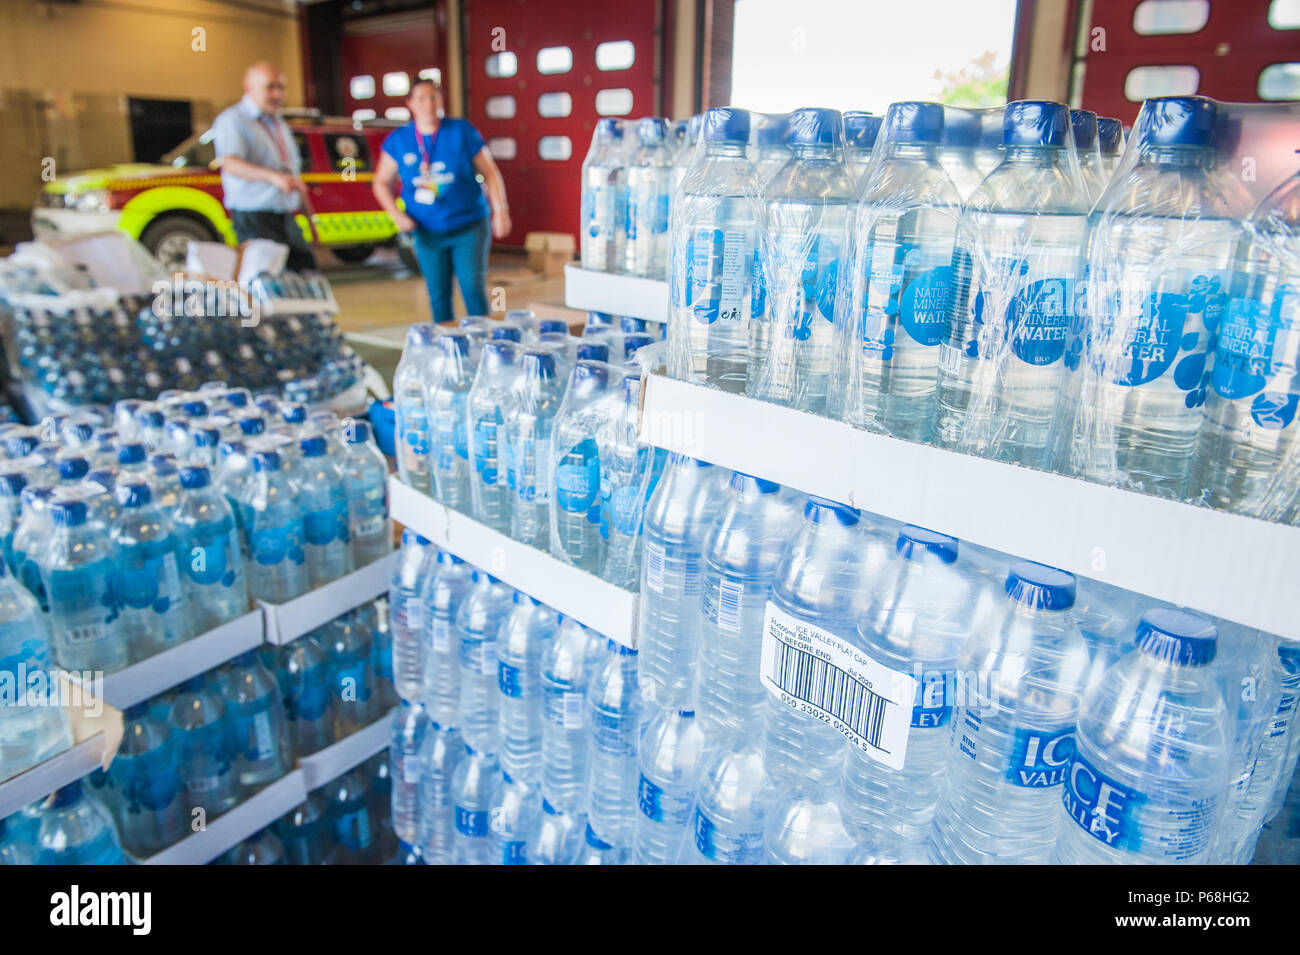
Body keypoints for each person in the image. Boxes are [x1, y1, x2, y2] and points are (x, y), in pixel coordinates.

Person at [372, 78, 512, 324]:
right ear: (410, 104)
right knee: (438, 293)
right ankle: (447, 346)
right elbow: (381, 182)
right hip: (426, 231)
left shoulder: (461, 131)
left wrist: (500, 211)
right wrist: (397, 215)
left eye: (434, 97)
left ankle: (482, 343)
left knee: (472, 286)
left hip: (469, 225)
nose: (429, 104)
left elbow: (490, 172)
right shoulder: (399, 140)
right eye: (422, 98)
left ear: (441, 100)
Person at [212, 61, 318, 272]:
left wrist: (310, 220)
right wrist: (272, 177)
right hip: (254, 217)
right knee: (267, 287)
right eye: (270, 87)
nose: (277, 94)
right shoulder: (234, 120)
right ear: (248, 86)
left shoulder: (278, 123)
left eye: (281, 87)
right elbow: (231, 163)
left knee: (306, 277)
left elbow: (291, 175)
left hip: (285, 215)